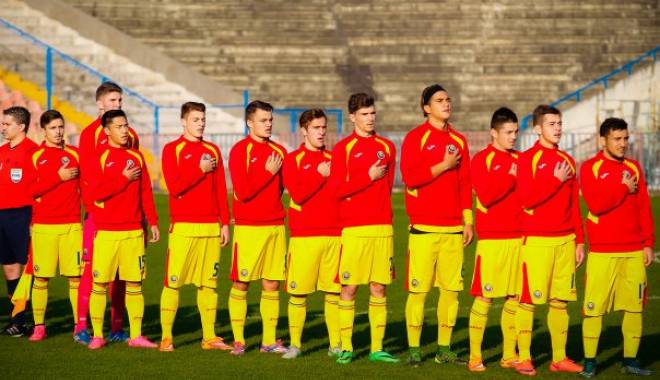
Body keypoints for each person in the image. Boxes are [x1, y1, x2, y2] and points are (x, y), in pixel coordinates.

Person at [399, 84, 473, 366]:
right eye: (439, 100)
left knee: (451, 293)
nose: (446, 104)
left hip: (454, 229)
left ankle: (444, 349)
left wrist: (468, 221)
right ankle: (415, 350)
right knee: (419, 292)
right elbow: (410, 177)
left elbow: (466, 183)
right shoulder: (416, 137)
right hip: (424, 229)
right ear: (426, 107)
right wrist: (443, 165)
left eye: (448, 99)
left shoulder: (460, 140)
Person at [579, 118, 655, 377]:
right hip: (602, 251)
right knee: (594, 309)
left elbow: (644, 206)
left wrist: (648, 243)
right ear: (603, 140)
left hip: (634, 250)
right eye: (617, 139)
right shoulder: (590, 167)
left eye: (625, 139)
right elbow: (596, 204)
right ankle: (590, 360)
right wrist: (622, 187)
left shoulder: (634, 167)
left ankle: (630, 360)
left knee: (635, 307)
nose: (623, 144)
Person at [329, 93, 398, 364]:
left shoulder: (387, 147)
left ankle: (377, 348)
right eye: (364, 114)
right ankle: (346, 346)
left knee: (379, 288)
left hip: (382, 228)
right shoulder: (343, 148)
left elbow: (388, 186)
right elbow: (336, 190)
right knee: (349, 289)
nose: (370, 119)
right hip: (354, 229)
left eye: (372, 113)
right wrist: (366, 177)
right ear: (352, 117)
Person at [515, 105, 584, 376]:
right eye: (551, 123)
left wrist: (579, 240)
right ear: (537, 128)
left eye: (559, 123)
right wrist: (554, 181)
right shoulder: (526, 159)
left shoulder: (568, 160)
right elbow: (526, 200)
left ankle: (559, 358)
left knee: (560, 302)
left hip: (565, 240)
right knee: (528, 301)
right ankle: (524, 358)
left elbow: (574, 205)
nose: (557, 128)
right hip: (536, 241)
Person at [159, 102, 232, 351]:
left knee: (209, 284)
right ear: (183, 121)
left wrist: (224, 222)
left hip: (210, 227)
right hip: (183, 228)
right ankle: (167, 337)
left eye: (202, 119)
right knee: (173, 283)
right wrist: (198, 170)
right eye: (195, 119)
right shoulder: (172, 150)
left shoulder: (212, 150)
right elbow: (175, 186)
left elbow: (221, 188)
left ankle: (209, 337)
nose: (200, 123)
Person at [86, 110, 159, 349]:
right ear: (107, 130)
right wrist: (123, 177)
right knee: (99, 285)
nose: (124, 130)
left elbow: (146, 192)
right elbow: (96, 192)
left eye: (126, 125)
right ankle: (98, 335)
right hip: (107, 231)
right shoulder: (99, 157)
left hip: (133, 231)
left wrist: (153, 221)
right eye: (119, 126)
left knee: (135, 284)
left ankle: (136, 335)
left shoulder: (136, 157)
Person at [75, 81, 139, 344]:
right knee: (92, 270)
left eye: (120, 101)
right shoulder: (90, 134)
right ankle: (81, 325)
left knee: (123, 274)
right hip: (99, 217)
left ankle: (116, 326)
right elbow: (88, 179)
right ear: (100, 103)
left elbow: (137, 177)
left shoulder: (131, 134)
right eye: (113, 101)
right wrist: (93, 212)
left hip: (127, 218)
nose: (117, 105)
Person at [227, 100, 288, 355]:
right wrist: (266, 173)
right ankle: (239, 341)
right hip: (249, 228)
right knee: (241, 283)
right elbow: (242, 191)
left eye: (270, 120)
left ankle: (268, 341)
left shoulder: (279, 151)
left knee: (272, 284)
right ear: (249, 122)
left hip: (275, 226)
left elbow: (282, 187)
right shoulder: (240, 150)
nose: (268, 124)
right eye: (263, 120)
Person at [281, 109, 341, 359]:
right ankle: (295, 345)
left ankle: (336, 344)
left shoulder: (336, 158)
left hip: (334, 235)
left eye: (323, 127)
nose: (321, 132)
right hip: (304, 237)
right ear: (304, 130)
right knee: (298, 293)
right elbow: (297, 194)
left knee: (334, 293)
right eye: (316, 128)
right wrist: (319, 174)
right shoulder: (292, 159)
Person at [467, 107, 521, 371]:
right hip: (492, 240)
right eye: (508, 132)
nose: (513, 137)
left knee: (514, 297)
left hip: (519, 238)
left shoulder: (522, 159)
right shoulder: (482, 160)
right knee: (485, 298)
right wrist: (511, 178)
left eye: (516, 132)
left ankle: (509, 355)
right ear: (493, 133)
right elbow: (486, 196)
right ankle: (475, 357)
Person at [27, 110, 83, 341]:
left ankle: (79, 325)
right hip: (44, 226)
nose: (58, 131)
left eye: (61, 127)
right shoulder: (35, 156)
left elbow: (86, 188)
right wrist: (58, 177)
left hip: (72, 225)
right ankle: (39, 326)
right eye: (53, 128)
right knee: (41, 278)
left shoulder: (76, 154)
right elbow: (29, 191)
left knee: (76, 278)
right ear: (44, 130)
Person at [0, 106, 38, 337]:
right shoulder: (1, 151)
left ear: (21, 126)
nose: (3, 128)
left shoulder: (33, 152)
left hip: (24, 215)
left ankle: (31, 318)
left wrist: (35, 220)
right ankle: (17, 319)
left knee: (29, 268)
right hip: (2, 215)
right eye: (3, 124)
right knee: (9, 267)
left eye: (7, 124)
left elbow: (39, 190)